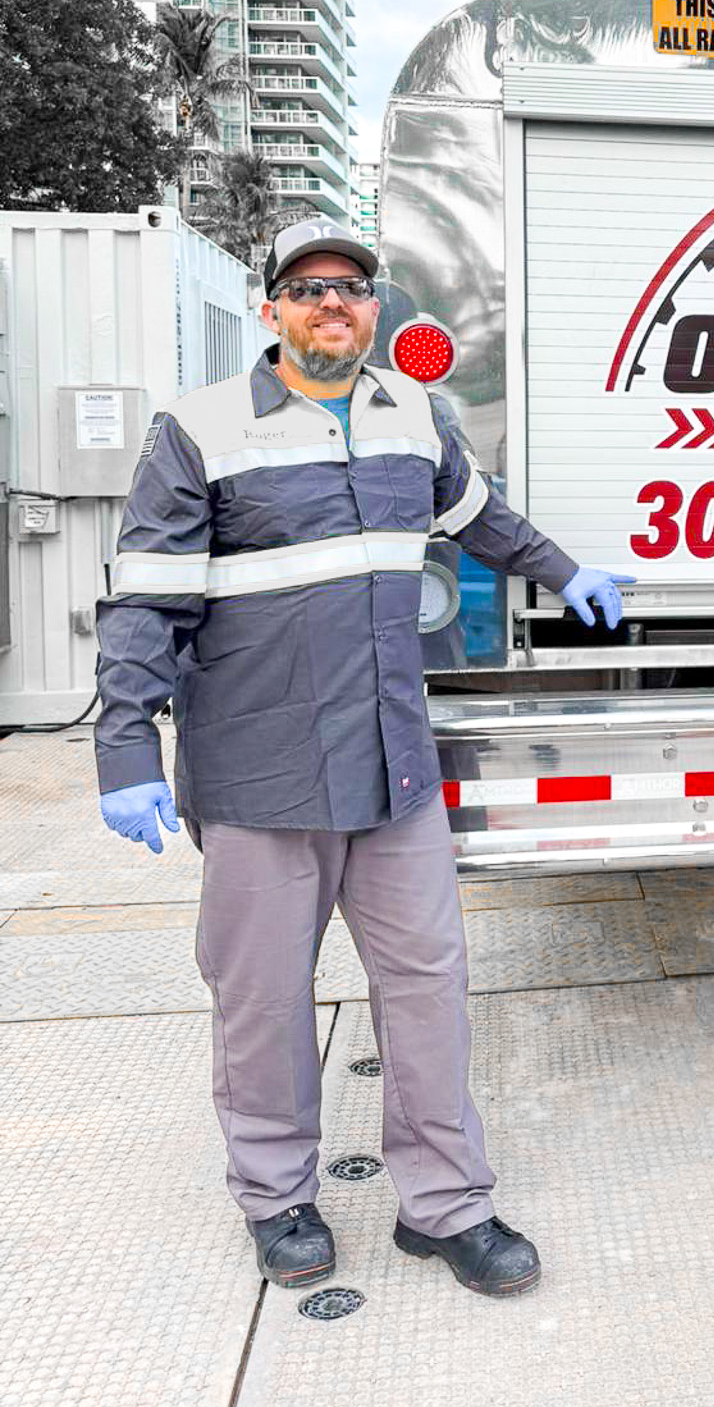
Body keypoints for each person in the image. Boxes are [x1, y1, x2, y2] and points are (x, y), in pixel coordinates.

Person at [94, 219, 630, 1298]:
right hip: (259, 769)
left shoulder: (413, 417)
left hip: (392, 763)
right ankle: (278, 1196)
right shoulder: (197, 430)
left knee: (429, 982)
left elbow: (484, 520)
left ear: (374, 306)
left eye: (350, 286)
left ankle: (444, 1204)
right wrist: (122, 745)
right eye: (306, 287)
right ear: (271, 308)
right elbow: (146, 600)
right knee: (261, 995)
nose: (330, 302)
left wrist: (566, 571)